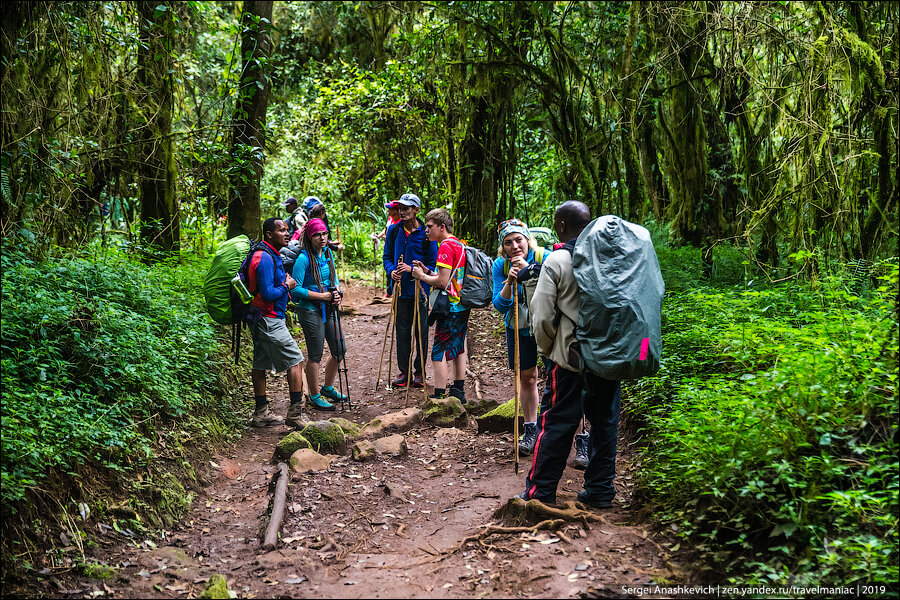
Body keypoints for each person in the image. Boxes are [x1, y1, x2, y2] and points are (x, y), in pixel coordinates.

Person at [522, 200, 621, 509]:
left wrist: (548, 349)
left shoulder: (558, 260)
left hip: (568, 358)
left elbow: (540, 317)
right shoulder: (612, 257)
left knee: (556, 423)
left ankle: (541, 493)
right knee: (604, 422)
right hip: (608, 356)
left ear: (561, 226)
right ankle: (600, 491)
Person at [491, 218, 552, 455]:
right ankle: (530, 429)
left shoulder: (544, 257)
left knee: (559, 378)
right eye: (508, 243)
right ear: (502, 247)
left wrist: (529, 271)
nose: (515, 246)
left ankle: (577, 437)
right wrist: (511, 280)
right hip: (518, 326)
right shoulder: (501, 266)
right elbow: (499, 304)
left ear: (527, 239)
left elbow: (552, 294)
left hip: (546, 326)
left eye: (519, 240)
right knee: (527, 376)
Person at [248, 218, 306, 428]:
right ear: (269, 234)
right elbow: (267, 293)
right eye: (282, 230)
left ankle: (261, 412)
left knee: (260, 363)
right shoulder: (264, 257)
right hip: (268, 319)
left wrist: (283, 283)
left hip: (261, 317)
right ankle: (295, 413)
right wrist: (288, 285)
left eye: (287, 230)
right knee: (296, 361)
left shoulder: (270, 254)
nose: (287, 233)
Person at [412, 208, 469, 403]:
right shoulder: (458, 244)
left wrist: (421, 276)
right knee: (458, 347)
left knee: (439, 352)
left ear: (441, 227)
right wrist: (428, 270)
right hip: (461, 304)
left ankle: (439, 396)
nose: (426, 231)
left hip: (449, 307)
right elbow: (451, 275)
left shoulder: (445, 246)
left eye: (429, 227)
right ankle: (458, 390)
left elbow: (443, 282)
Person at [290, 218, 348, 411]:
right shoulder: (303, 259)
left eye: (324, 234)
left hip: (329, 307)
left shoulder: (328, 253)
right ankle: (314, 395)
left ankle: (328, 388)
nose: (322, 238)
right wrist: (322, 296)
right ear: (310, 236)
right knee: (315, 354)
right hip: (309, 309)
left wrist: (337, 292)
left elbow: (334, 277)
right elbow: (295, 289)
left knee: (339, 349)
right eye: (317, 235)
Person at [383, 193, 436, 388]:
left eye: (406, 208)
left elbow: (433, 265)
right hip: (399, 291)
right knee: (402, 332)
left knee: (421, 332)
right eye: (400, 208)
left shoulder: (426, 234)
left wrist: (414, 270)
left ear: (416, 210)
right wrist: (392, 272)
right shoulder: (393, 231)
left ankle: (419, 372)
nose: (402, 211)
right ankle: (404, 371)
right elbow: (387, 257)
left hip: (420, 292)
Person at [372, 202, 402, 298]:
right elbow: (386, 229)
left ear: (396, 211)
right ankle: (389, 292)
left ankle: (394, 292)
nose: (388, 211)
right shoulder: (391, 219)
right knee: (389, 268)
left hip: (396, 249)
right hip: (388, 248)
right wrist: (379, 236)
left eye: (390, 209)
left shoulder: (400, 223)